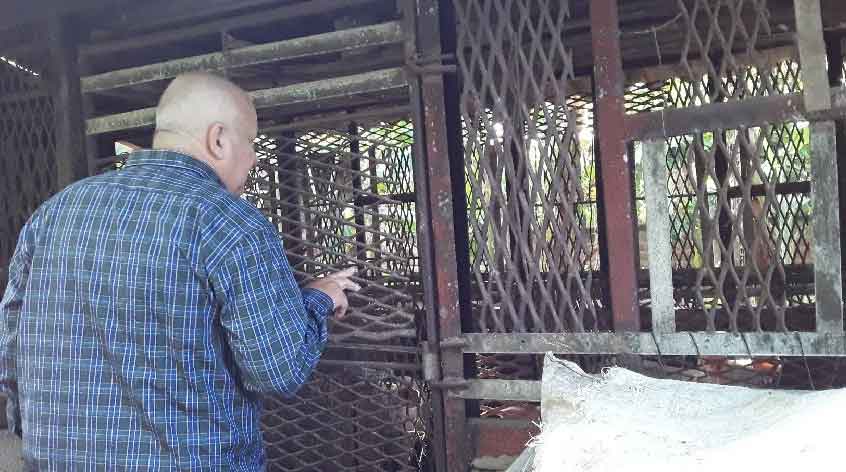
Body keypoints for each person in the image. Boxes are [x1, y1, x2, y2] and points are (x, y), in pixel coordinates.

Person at [0, 72, 359, 470]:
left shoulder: (56, 211)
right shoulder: (229, 223)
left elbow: (10, 343)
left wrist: (31, 435)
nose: (255, 158)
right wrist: (318, 298)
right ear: (218, 139)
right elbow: (278, 370)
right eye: (252, 143)